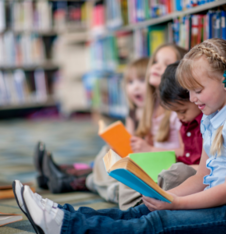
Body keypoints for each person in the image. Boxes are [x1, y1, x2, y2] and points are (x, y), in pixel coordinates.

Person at [14, 38, 226, 233]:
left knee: (157, 222)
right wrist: (166, 197)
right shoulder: (211, 115)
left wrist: (176, 203)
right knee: (143, 210)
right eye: (189, 91)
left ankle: (64, 227)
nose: (192, 98)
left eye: (197, 90)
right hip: (222, 204)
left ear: (225, 81)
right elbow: (202, 176)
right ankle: (62, 215)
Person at [33, 57, 149, 197]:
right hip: (131, 157)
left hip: (141, 162)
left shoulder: (154, 114)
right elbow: (129, 141)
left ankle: (63, 177)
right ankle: (57, 173)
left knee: (100, 166)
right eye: (131, 82)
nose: (135, 87)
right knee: (102, 159)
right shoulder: (133, 112)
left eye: (142, 81)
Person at [119, 60, 203, 210]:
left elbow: (203, 166)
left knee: (175, 172)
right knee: (129, 168)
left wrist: (150, 150)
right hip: (175, 166)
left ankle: (142, 201)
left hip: (189, 172)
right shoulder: (185, 121)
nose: (179, 117)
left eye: (182, 111)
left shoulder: (204, 123)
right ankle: (138, 200)